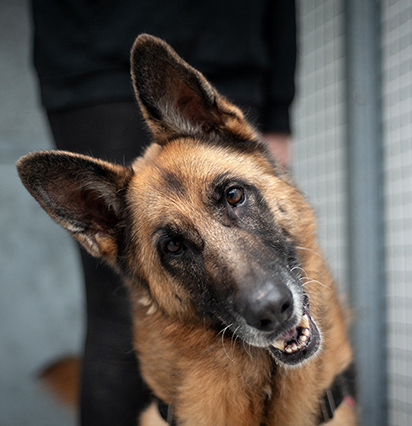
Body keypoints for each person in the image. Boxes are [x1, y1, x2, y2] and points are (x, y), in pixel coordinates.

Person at [30, 1, 297, 424]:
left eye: (231, 197)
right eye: (175, 243)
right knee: (119, 316)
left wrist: (278, 109)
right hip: (95, 51)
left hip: (228, 42)